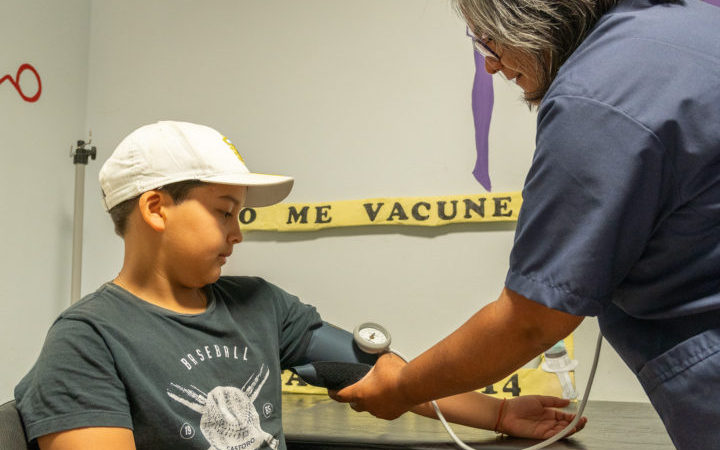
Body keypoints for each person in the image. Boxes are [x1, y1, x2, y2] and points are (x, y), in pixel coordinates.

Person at [14, 120, 585, 450]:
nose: (239, 232)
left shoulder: (261, 304)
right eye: (224, 210)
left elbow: (383, 375)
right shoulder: (87, 340)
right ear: (157, 207)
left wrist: (496, 414)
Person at [332, 1, 720, 449]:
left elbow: (530, 321)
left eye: (488, 39)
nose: (491, 64)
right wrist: (493, 410)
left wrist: (402, 389)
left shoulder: (595, 97)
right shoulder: (693, 25)